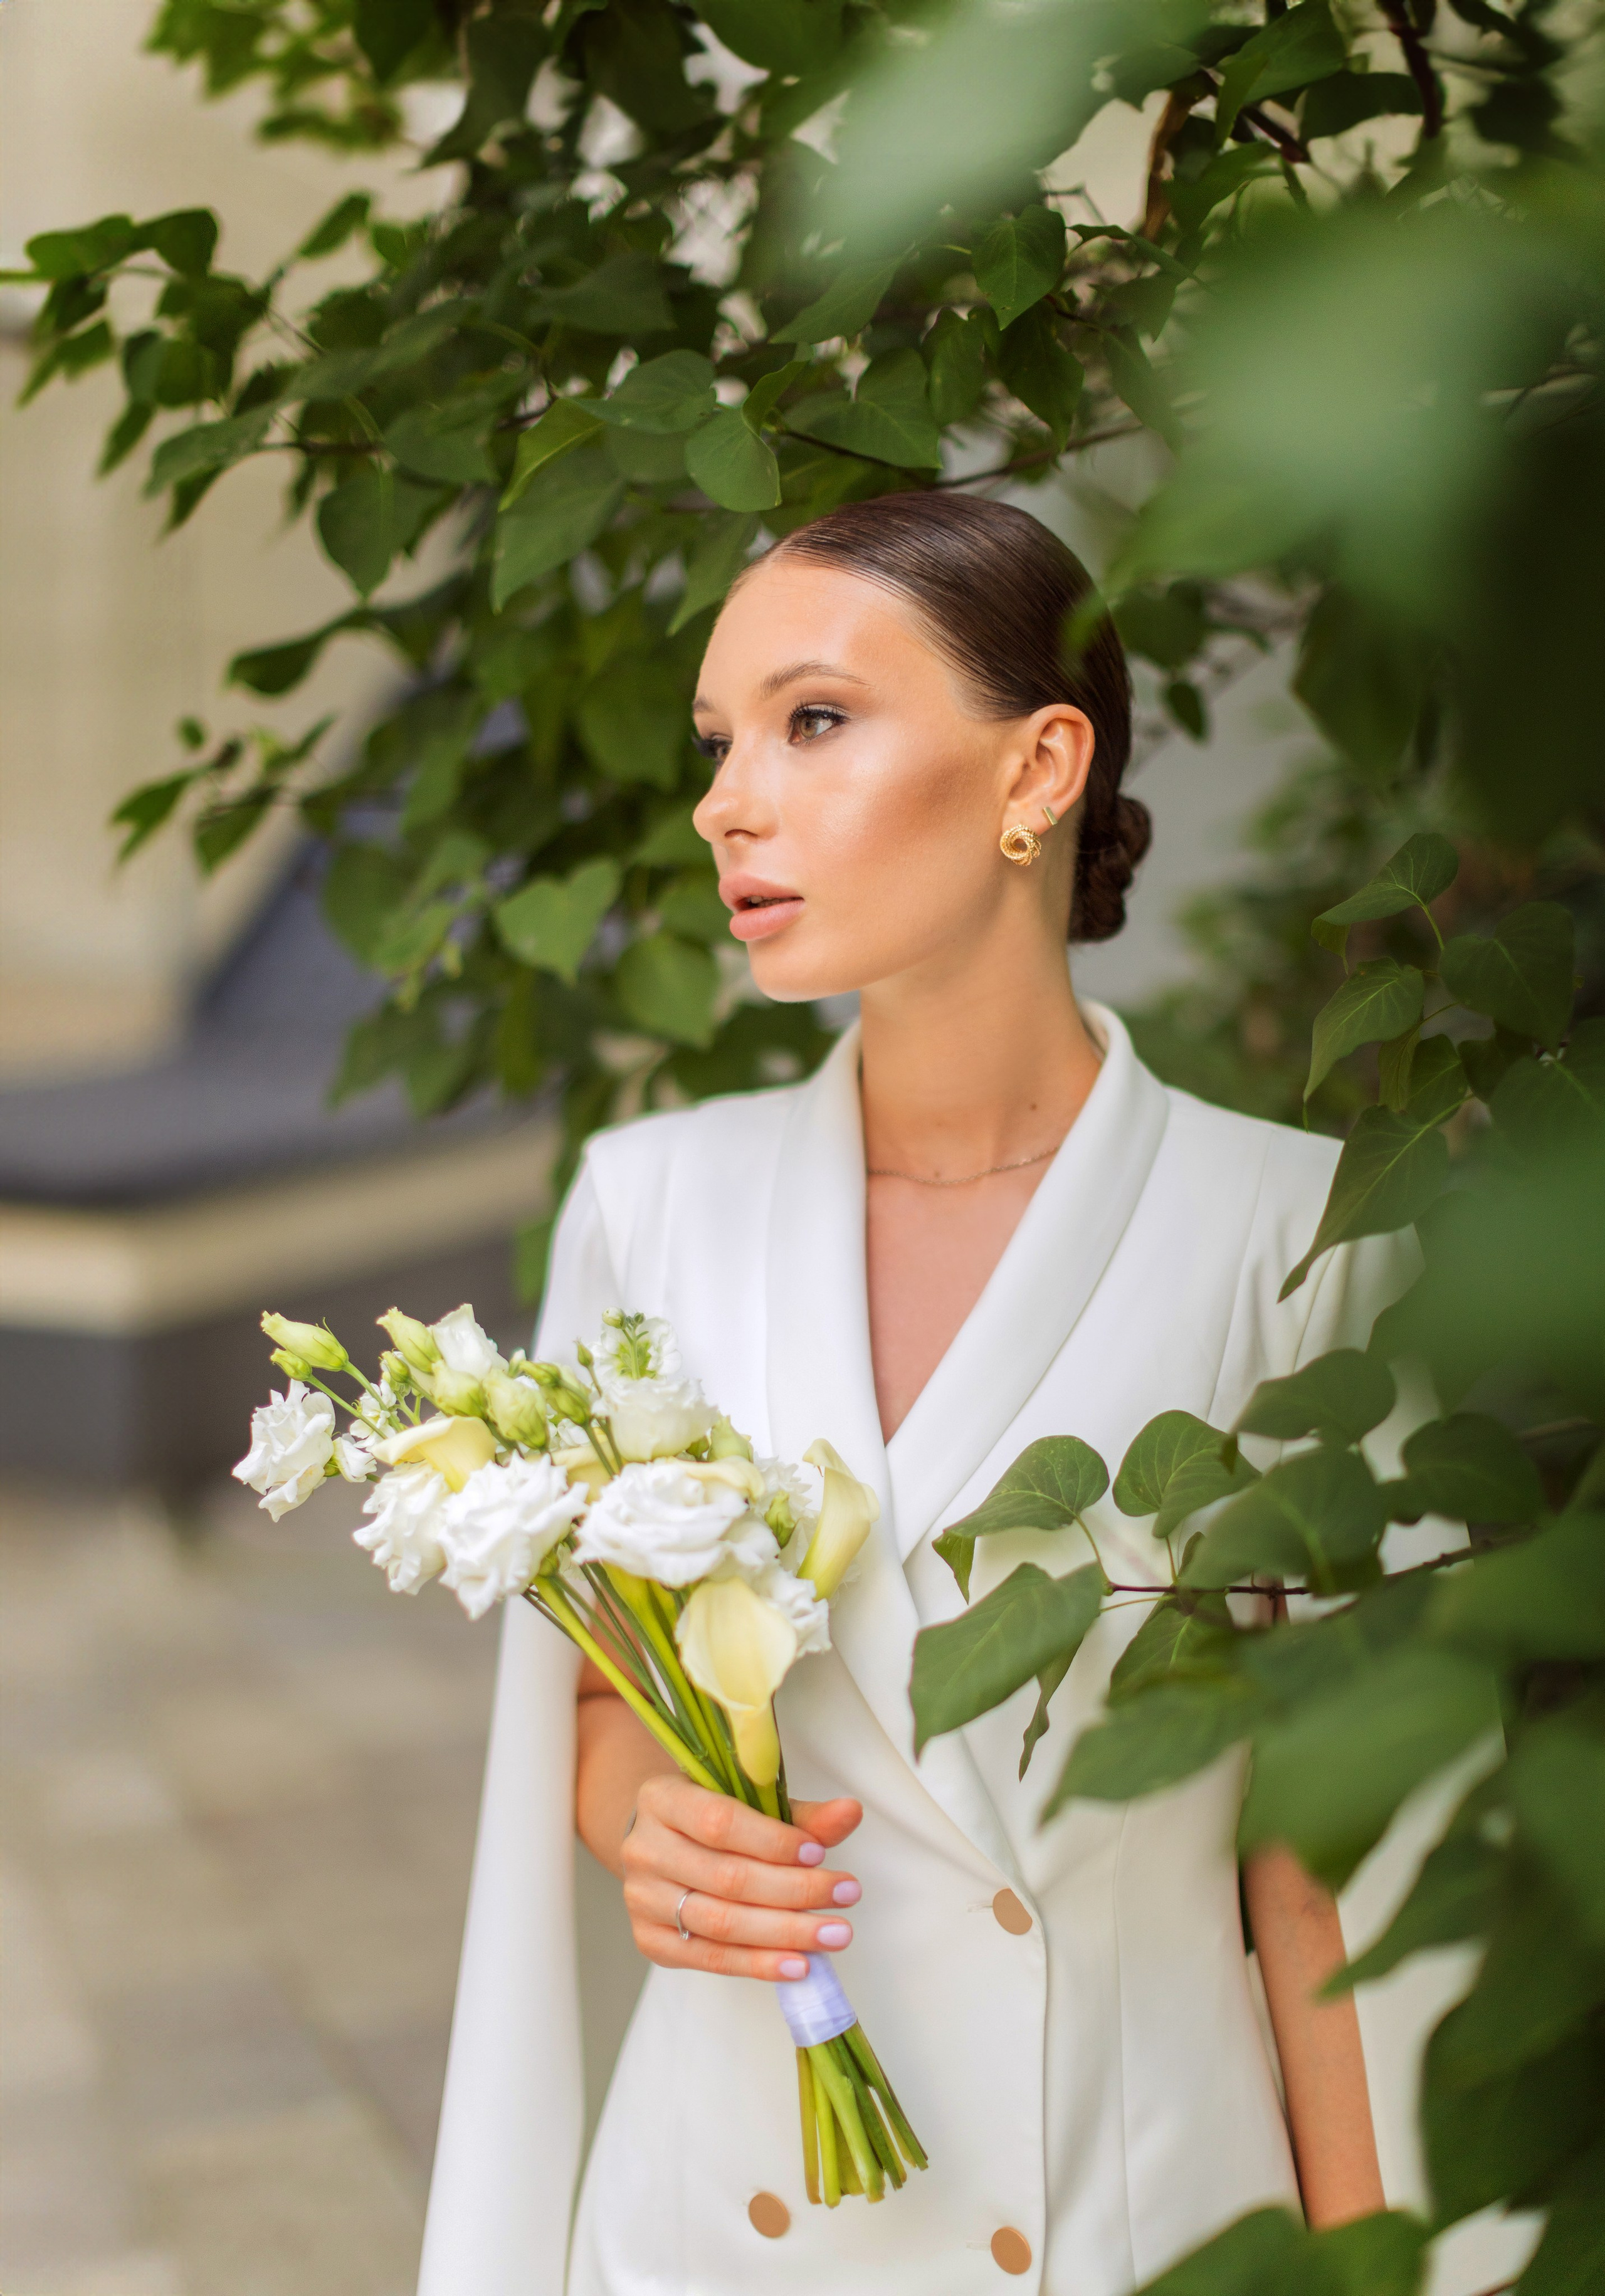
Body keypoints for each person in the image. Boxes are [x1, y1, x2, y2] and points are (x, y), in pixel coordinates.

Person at [418, 495, 1448, 2296]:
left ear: (1038, 767)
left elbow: (1328, 1858)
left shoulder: (1299, 1238)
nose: (727, 801)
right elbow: (591, 1696)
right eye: (720, 742)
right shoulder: (651, 1200)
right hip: (714, 2215)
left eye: (814, 721)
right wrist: (645, 1824)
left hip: (1127, 2213)